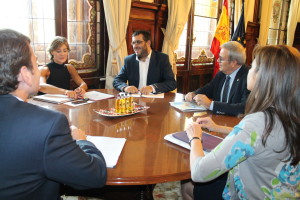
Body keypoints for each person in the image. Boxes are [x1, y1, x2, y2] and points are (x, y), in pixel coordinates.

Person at [0, 29, 107, 200]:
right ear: (26, 74)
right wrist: (81, 140)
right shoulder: (49, 124)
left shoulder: (69, 68)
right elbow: (95, 176)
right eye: (35, 62)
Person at [186, 45, 300, 199]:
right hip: (283, 189)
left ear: (264, 76)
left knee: (189, 188)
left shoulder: (259, 121)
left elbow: (199, 172)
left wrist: (195, 137)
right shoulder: (289, 113)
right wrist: (216, 127)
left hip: (251, 194)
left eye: (252, 66)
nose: (248, 70)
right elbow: (258, 139)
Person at [185, 41, 250, 116]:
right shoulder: (222, 74)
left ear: (233, 63)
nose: (218, 60)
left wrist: (211, 105)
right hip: (217, 120)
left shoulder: (248, 77)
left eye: (221, 59)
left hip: (236, 123)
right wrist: (194, 94)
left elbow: (243, 108)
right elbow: (209, 89)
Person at [113, 30, 176, 94]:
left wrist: (152, 88)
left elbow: (171, 83)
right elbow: (117, 80)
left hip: (154, 100)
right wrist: (125, 87)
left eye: (138, 42)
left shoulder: (162, 59)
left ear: (148, 43)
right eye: (133, 43)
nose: (135, 46)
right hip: (135, 100)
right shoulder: (129, 60)